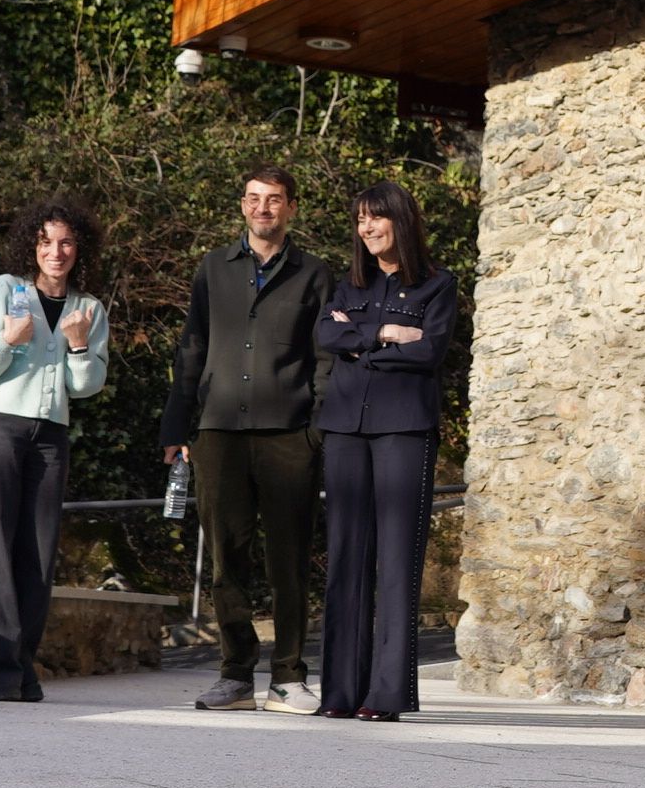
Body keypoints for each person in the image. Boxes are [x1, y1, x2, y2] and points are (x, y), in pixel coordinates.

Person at [161, 166, 333, 712]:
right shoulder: (213, 268)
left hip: (289, 436)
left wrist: (318, 430)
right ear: (242, 206)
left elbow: (326, 357)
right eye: (255, 199)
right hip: (218, 434)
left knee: (289, 560)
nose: (264, 209)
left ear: (291, 209)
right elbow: (192, 347)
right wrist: (175, 425)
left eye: (275, 200)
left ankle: (287, 676)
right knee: (225, 560)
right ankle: (235, 675)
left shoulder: (315, 275)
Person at [0, 198, 109, 703]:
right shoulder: (2, 291)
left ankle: (20, 670)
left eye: (65, 242)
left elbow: (87, 386)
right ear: (31, 246)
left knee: (37, 556)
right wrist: (5, 339)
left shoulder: (89, 309)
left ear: (79, 249)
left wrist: (79, 345)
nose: (55, 252)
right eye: (45, 242)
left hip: (50, 438)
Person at [315, 179, 456, 722]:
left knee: (397, 560)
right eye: (359, 220)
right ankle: (340, 694)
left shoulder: (438, 285)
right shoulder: (351, 286)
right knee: (346, 558)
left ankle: (387, 695)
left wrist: (363, 338)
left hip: (404, 429)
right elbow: (327, 336)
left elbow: (430, 353)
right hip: (345, 428)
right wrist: (387, 335)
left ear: (401, 219)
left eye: (375, 217)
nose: (366, 228)